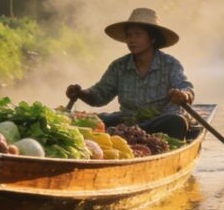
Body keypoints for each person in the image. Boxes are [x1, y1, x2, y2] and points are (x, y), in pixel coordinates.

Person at [66, 8, 194, 139]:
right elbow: (99, 95)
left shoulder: (170, 64)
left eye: (138, 34)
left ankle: (124, 132)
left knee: (176, 122)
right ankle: (126, 132)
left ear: (152, 38)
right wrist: (80, 93)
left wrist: (183, 95)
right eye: (129, 35)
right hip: (128, 122)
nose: (132, 40)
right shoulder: (119, 66)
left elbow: (186, 87)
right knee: (89, 121)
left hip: (159, 122)